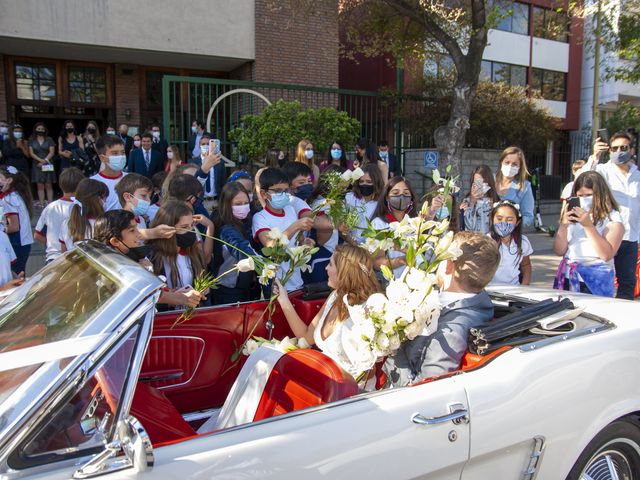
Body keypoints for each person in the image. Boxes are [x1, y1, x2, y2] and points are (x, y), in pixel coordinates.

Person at [383, 231, 500, 386]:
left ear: (449, 265)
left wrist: (392, 346)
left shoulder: (452, 331)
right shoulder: (476, 300)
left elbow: (425, 388)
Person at [273, 243, 382, 378]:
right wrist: (283, 299)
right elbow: (305, 336)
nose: (326, 268)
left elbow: (368, 371)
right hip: (323, 379)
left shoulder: (368, 309)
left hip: (352, 391)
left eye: (330, 264)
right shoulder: (335, 296)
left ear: (344, 272)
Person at [93, 209, 204, 308]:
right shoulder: (114, 267)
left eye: (136, 228)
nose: (139, 234)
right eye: (132, 231)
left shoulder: (129, 257)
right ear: (115, 241)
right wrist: (183, 298)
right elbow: (146, 294)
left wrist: (171, 293)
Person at [579, 131, 640, 300]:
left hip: (630, 238)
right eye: (614, 148)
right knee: (601, 280)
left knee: (627, 282)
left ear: (632, 150)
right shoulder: (602, 170)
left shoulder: (637, 175)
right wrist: (595, 156)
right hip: (607, 235)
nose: (619, 151)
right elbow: (581, 179)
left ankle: (621, 318)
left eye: (623, 147)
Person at [553, 171, 624, 297]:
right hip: (569, 275)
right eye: (580, 195)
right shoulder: (573, 216)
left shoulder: (613, 218)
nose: (584, 199)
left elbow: (606, 254)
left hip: (596, 280)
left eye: (589, 195)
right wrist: (563, 226)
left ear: (600, 194)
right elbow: (559, 250)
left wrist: (588, 226)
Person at [252, 167, 315, 291]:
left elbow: (299, 239)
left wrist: (305, 242)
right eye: (278, 191)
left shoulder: (290, 210)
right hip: (276, 285)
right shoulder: (260, 218)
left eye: (286, 190)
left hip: (296, 281)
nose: (283, 194)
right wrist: (295, 226)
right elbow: (271, 247)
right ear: (264, 194)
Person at [148, 199, 214, 293]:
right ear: (167, 228)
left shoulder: (194, 253)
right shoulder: (153, 257)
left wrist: (203, 292)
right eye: (184, 227)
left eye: (192, 225)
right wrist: (172, 297)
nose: (191, 230)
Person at [213, 182, 261, 304]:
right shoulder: (226, 229)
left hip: (245, 286)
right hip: (229, 289)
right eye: (237, 204)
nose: (243, 207)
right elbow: (241, 250)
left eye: (246, 203)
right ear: (227, 205)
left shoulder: (247, 221)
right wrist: (263, 264)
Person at [370, 176, 418, 279]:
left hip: (416, 279)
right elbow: (376, 261)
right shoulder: (379, 224)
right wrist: (402, 260)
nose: (401, 197)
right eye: (395, 193)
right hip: (390, 282)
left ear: (411, 199)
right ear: (387, 197)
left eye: (406, 194)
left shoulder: (416, 223)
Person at [34, 167, 85, 263]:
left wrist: (52, 244)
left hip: (53, 258)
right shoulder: (83, 207)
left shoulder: (50, 207)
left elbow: (37, 235)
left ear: (61, 185)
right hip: (76, 258)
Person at [489, 200, 533, 286]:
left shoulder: (523, 242)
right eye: (499, 218)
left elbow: (526, 265)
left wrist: (525, 285)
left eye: (509, 219)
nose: (504, 223)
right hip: (490, 291)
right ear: (492, 219)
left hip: (514, 290)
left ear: (517, 222)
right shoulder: (486, 241)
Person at [0, 166, 34, 274]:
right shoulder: (16, 195)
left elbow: (14, 226)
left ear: (9, 180)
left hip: (16, 243)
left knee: (15, 276)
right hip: (23, 243)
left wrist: (2, 229)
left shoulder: (9, 199)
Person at [59, 178, 108, 251]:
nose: (105, 202)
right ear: (97, 199)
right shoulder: (104, 225)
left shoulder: (67, 223)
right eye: (104, 199)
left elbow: (63, 252)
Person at [494, 146, 534, 227]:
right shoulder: (489, 180)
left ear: (520, 167)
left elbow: (528, 217)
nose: (510, 166)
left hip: (510, 236)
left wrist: (512, 223)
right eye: (507, 162)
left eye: (515, 164)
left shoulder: (524, 187)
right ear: (501, 162)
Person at [345, 163, 385, 243]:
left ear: (376, 182)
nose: (364, 184)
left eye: (369, 182)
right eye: (361, 181)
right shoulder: (350, 198)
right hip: (351, 247)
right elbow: (341, 229)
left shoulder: (383, 202)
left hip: (372, 249)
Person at [91, 135, 127, 211]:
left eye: (123, 152)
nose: (120, 156)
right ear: (102, 158)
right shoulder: (92, 183)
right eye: (115, 153)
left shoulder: (132, 180)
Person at [460, 165, 498, 234]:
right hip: (473, 241)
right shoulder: (467, 201)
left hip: (489, 242)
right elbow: (469, 226)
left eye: (482, 182)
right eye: (477, 182)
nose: (479, 185)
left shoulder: (495, 201)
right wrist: (472, 202)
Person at [193, 134, 226, 212]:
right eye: (203, 144)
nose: (205, 146)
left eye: (208, 144)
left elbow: (223, 183)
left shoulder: (219, 162)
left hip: (216, 202)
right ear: (199, 145)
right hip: (200, 202)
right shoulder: (194, 162)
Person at [28, 123, 56, 206]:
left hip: (48, 163)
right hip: (37, 164)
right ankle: (41, 203)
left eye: (42, 129)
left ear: (45, 130)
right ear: (35, 130)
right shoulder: (32, 140)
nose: (40, 130)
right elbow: (31, 153)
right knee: (39, 185)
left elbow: (52, 152)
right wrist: (40, 160)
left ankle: (50, 204)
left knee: (48, 184)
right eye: (38, 129)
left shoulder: (49, 139)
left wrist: (45, 161)